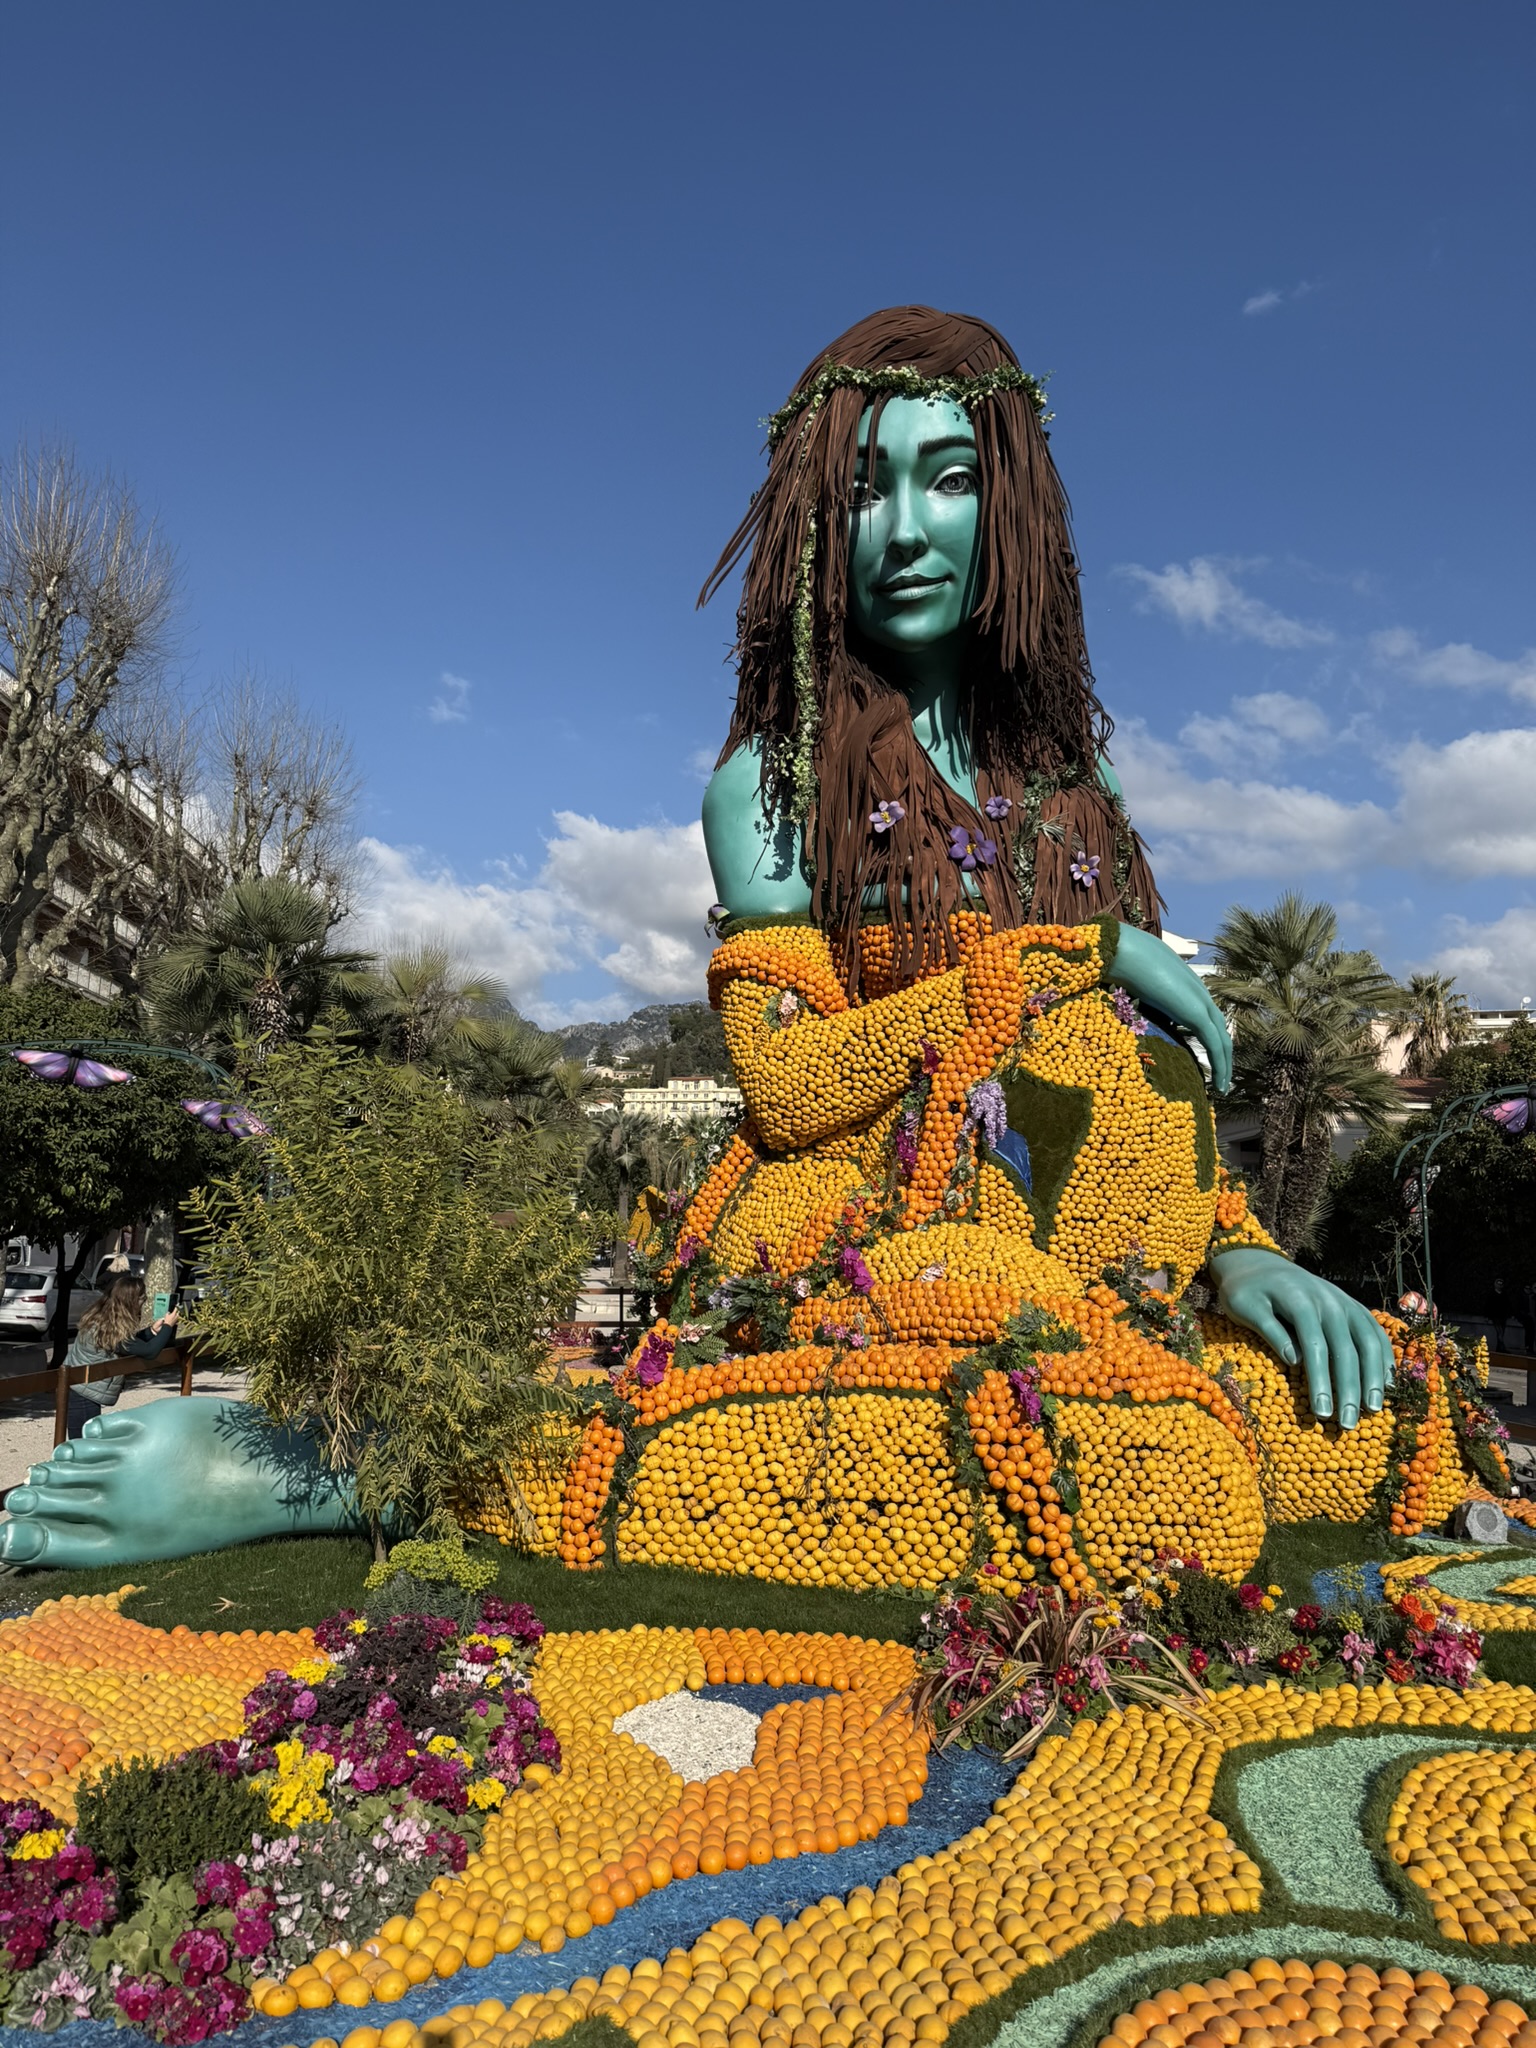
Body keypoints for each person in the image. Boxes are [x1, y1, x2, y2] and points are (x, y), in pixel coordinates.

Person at [695, 304, 1394, 1428]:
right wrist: (1072, 954)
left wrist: (1238, 1249)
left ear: (1011, 505)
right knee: (1041, 1404)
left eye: (951, 479)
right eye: (863, 491)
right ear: (815, 527)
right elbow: (786, 1087)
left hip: (1106, 1243)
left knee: (1339, 1409)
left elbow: (1140, 1069)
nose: (905, 532)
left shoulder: (1080, 784)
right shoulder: (771, 784)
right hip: (874, 1233)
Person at [63, 1270, 180, 1438]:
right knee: (84, 1442)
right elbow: (149, 1352)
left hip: (80, 1386)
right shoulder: (108, 1327)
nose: (143, 1303)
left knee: (87, 1441)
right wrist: (168, 1326)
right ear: (131, 1301)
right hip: (82, 1390)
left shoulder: (104, 1315)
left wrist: (152, 1331)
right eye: (142, 1299)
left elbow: (128, 1344)